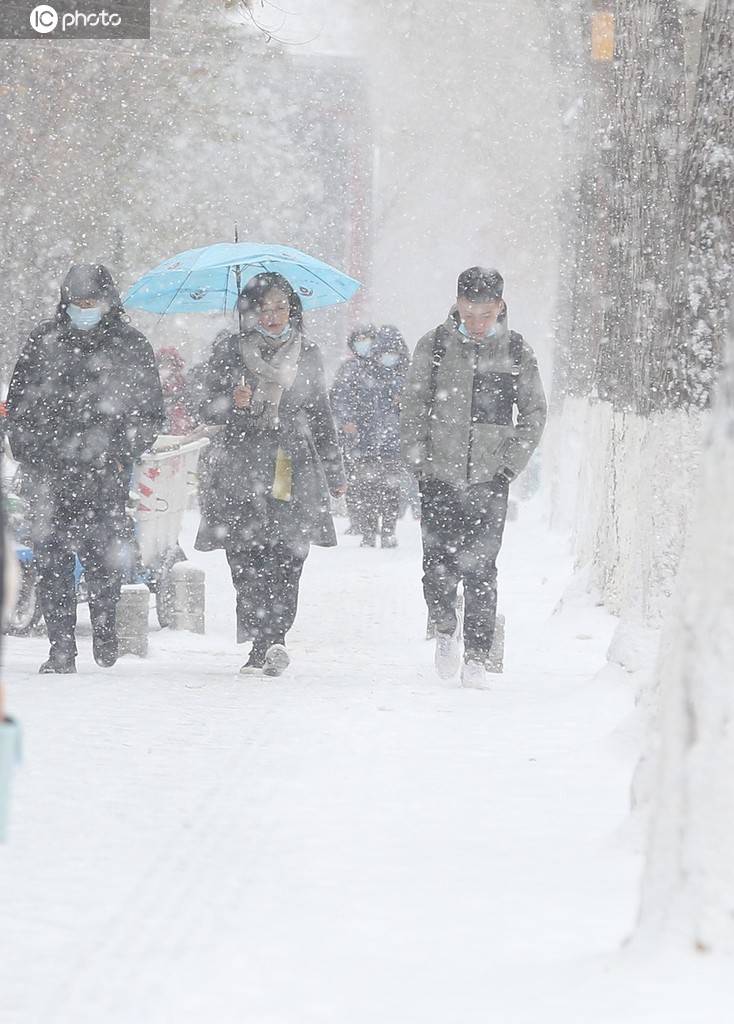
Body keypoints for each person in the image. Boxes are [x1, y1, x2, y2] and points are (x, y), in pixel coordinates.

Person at [6, 263, 164, 673]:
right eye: (77, 301)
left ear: (108, 301)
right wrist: (29, 450)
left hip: (104, 472)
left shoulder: (130, 345)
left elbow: (150, 412)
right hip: (49, 472)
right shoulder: (44, 341)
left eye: (92, 301)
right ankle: (61, 648)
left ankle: (105, 627)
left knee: (103, 557)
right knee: (52, 560)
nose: (84, 308)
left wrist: (120, 450)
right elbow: (19, 405)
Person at [401, 266, 547, 687]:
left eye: (485, 314)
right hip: (439, 475)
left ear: (499, 306)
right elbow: (412, 407)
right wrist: (420, 462)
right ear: (458, 305)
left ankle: (477, 655)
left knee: (482, 568)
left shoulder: (516, 351)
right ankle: (445, 628)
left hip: (489, 478)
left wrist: (509, 465)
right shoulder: (435, 346)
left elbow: (534, 413)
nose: (477, 323)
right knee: (438, 565)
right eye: (469, 314)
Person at [196, 272, 346, 676]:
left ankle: (275, 637)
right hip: (239, 465)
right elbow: (205, 407)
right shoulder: (230, 350)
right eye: (264, 308)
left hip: (289, 463)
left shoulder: (307, 352)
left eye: (281, 307)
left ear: (292, 310)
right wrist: (233, 402)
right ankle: (257, 640)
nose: (273, 316)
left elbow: (320, 412)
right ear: (250, 312)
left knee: (287, 553)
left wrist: (334, 469)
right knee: (245, 557)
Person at [331, 324, 409, 548]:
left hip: (392, 443)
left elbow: (415, 408)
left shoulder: (404, 377)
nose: (388, 357)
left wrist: (403, 404)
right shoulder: (358, 373)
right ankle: (368, 531)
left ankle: (388, 532)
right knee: (367, 488)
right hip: (364, 443)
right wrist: (347, 421)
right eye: (384, 352)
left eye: (393, 352)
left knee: (391, 489)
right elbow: (342, 399)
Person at [329, 324, 379, 536]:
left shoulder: (380, 368)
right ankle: (357, 520)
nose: (364, 344)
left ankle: (373, 522)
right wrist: (345, 420)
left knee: (376, 481)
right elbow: (338, 397)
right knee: (353, 479)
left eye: (368, 340)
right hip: (352, 434)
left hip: (376, 434)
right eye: (360, 340)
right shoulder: (348, 368)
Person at [155, 346, 197, 435]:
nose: (165, 366)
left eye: (168, 362)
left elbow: (189, 399)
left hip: (180, 422)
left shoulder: (182, 380)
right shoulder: (152, 381)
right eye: (162, 362)